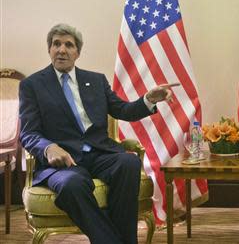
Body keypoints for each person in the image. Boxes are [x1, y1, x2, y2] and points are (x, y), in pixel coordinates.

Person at [19, 23, 179, 244]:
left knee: (128, 163)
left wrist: (149, 99)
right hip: (64, 161)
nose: (62, 49)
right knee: (71, 185)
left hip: (100, 153)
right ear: (49, 49)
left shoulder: (95, 80)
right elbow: (28, 133)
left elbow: (123, 110)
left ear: (78, 53)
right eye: (56, 44)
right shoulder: (32, 85)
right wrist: (48, 148)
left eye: (68, 45)